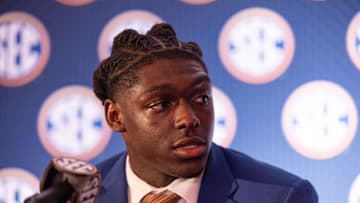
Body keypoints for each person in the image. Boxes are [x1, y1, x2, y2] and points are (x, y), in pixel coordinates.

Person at [92, 22, 318, 203]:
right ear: (115, 116)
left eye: (201, 98)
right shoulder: (75, 195)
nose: (189, 119)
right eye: (161, 104)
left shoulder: (283, 196)